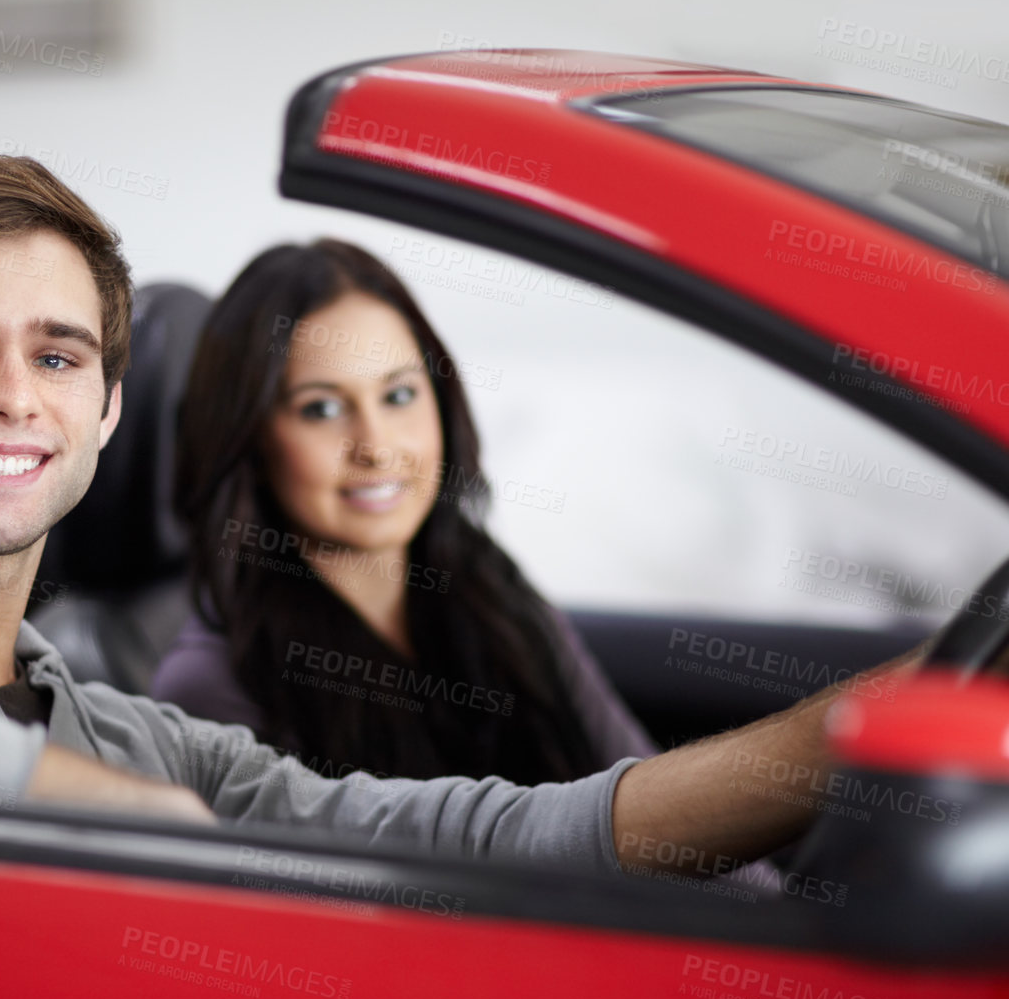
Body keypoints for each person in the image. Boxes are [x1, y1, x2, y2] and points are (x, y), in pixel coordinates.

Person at [0, 153, 912, 881]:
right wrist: (112, 815)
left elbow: (495, 833)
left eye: (57, 358)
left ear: (109, 411)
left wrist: (847, 735)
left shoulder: (140, 734)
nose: (10, 396)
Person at [153, 239, 656, 787]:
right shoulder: (212, 688)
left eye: (398, 396)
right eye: (321, 408)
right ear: (249, 441)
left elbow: (649, 795)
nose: (377, 446)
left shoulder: (489, 585)